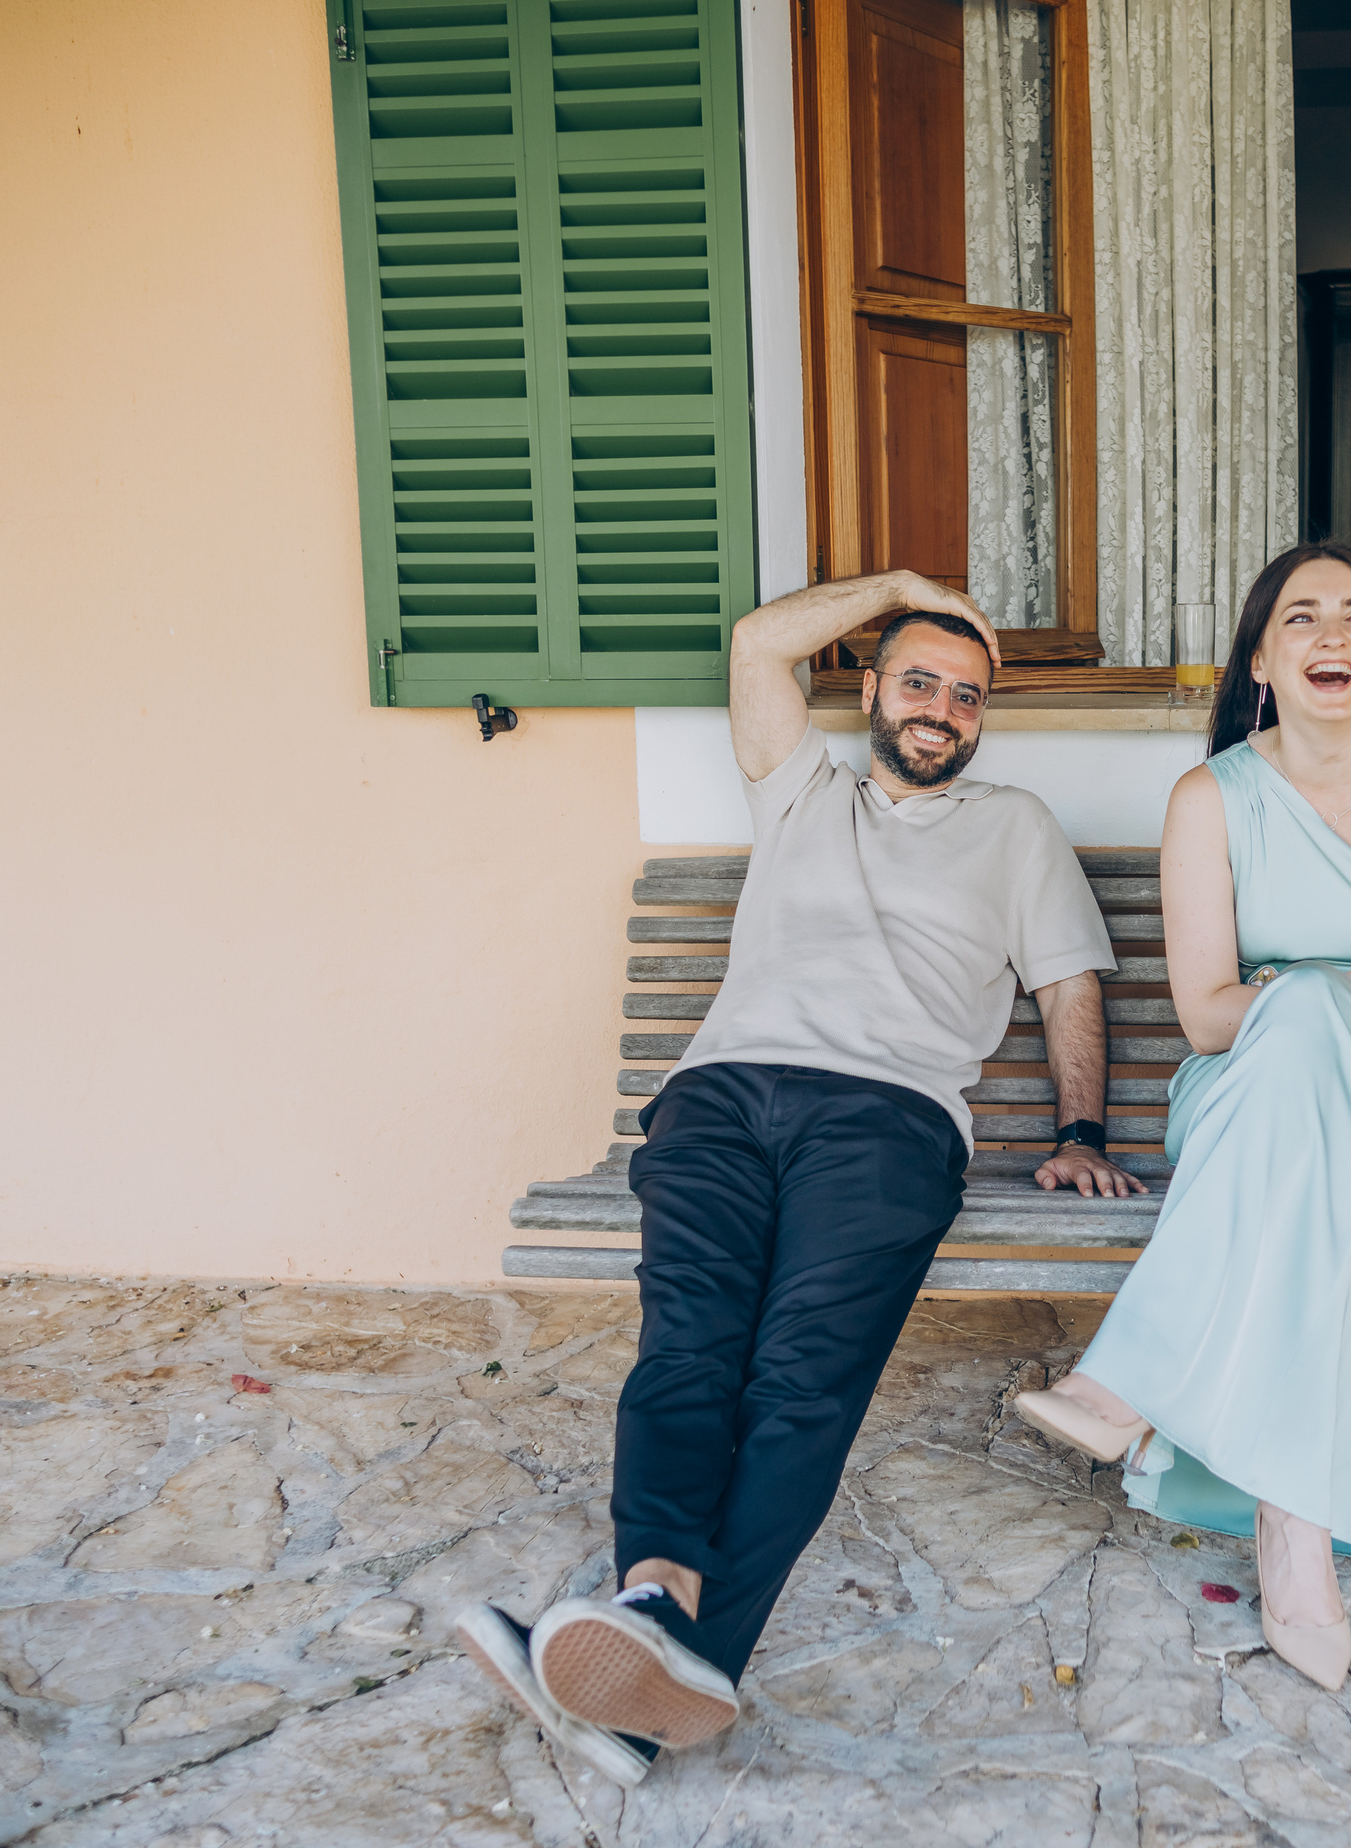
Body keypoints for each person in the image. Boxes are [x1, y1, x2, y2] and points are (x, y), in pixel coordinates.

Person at [457, 570, 1145, 1785]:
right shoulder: (799, 790)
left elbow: (1067, 987)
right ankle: (654, 1609)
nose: (942, 708)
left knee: (799, 1380)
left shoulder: (1014, 828)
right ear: (870, 689)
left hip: (887, 1121)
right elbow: (758, 642)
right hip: (722, 1096)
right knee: (688, 1350)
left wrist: (1080, 1127)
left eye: (967, 696)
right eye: (920, 680)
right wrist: (903, 587)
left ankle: (655, 1663)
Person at [1013, 541, 1351, 1691]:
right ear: (1261, 659)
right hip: (1248, 1089)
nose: (1332, 634)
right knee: (1295, 1031)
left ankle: (1132, 1385)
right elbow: (1207, 1019)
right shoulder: (1210, 799)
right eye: (1300, 618)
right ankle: (1291, 1530)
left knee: (1308, 1025)